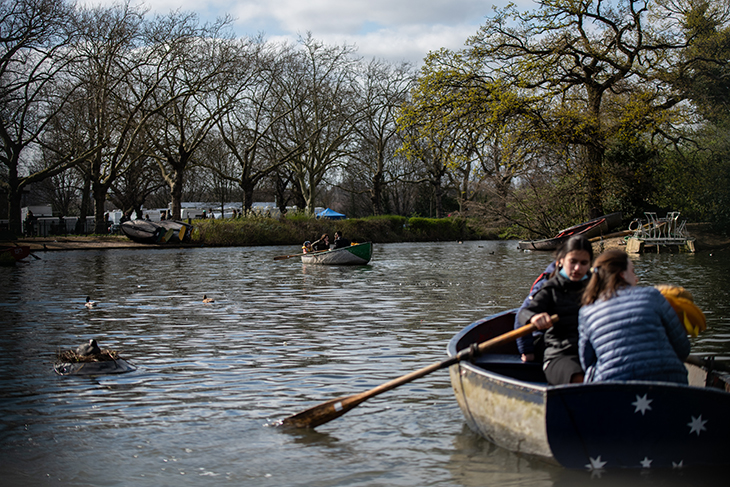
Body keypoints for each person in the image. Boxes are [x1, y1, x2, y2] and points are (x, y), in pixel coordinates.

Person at [579, 250, 691, 384]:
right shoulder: (653, 295)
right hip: (669, 381)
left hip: (613, 387)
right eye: (632, 271)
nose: (636, 277)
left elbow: (586, 362)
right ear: (622, 275)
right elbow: (682, 348)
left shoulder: (587, 311)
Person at [517, 235, 594, 385]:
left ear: (590, 264)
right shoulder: (550, 288)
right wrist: (533, 318)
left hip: (593, 351)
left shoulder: (597, 286)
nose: (577, 268)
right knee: (582, 380)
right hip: (561, 354)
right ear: (562, 260)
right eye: (573, 262)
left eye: (584, 263)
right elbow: (523, 314)